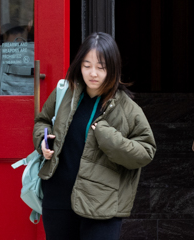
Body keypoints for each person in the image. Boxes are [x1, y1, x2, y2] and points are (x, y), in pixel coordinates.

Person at [31, 32, 157, 239]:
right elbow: (42, 121)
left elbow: (146, 151)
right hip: (58, 200)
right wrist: (43, 142)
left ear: (113, 69)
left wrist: (108, 137)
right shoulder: (65, 93)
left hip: (101, 205)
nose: (93, 73)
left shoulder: (127, 108)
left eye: (101, 67)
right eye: (87, 65)